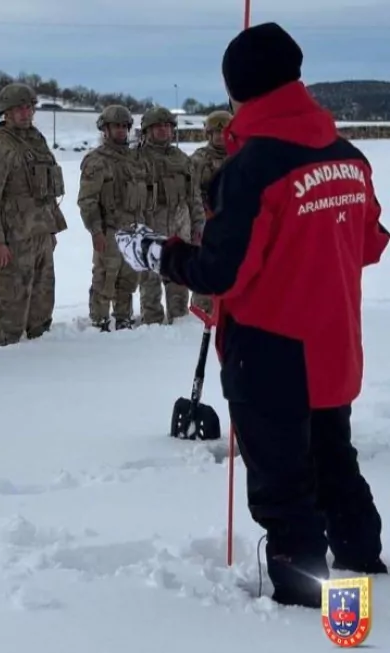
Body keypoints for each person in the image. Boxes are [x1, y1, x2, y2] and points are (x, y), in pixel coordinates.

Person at [115, 22, 389, 608]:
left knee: (284, 483)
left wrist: (155, 252)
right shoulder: (348, 156)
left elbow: (220, 273)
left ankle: (304, 595)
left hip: (271, 352)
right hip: (333, 343)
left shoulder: (250, 170)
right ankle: (363, 558)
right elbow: (370, 243)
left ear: (236, 89)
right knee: (333, 457)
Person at [0, 82, 68, 346]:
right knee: (13, 305)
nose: (25, 113)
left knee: (42, 302)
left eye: (29, 108)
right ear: (5, 112)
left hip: (41, 233)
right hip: (14, 239)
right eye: (18, 109)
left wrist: (51, 229)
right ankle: (7, 360)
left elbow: (46, 189)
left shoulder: (36, 140)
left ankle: (39, 356)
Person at [77, 105, 149, 331]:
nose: (120, 131)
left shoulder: (135, 159)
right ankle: (99, 321)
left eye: (123, 126)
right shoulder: (96, 161)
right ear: (105, 129)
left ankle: (123, 318)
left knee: (128, 279)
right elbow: (87, 200)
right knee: (104, 278)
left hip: (133, 230)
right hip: (109, 230)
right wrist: (95, 231)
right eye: (115, 126)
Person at [134, 107, 205, 325]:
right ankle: (152, 321)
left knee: (178, 275)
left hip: (180, 224)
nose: (164, 131)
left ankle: (179, 319)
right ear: (147, 130)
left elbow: (193, 196)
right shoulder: (136, 159)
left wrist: (198, 225)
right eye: (158, 127)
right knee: (150, 278)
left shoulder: (182, 159)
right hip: (150, 224)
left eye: (167, 126)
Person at [189, 109, 232, 314]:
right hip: (208, 221)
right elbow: (193, 192)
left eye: (224, 132)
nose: (220, 137)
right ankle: (202, 309)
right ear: (208, 134)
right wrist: (200, 219)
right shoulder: (198, 160)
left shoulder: (240, 157)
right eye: (216, 132)